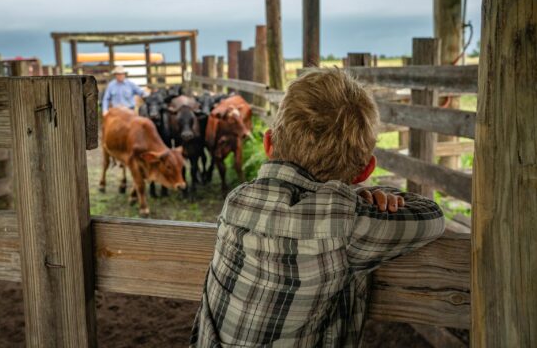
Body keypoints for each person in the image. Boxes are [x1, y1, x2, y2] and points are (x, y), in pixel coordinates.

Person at [190, 68, 445, 347]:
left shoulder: (236, 200)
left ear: (268, 144)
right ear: (365, 170)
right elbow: (432, 217)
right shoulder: (346, 223)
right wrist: (364, 195)